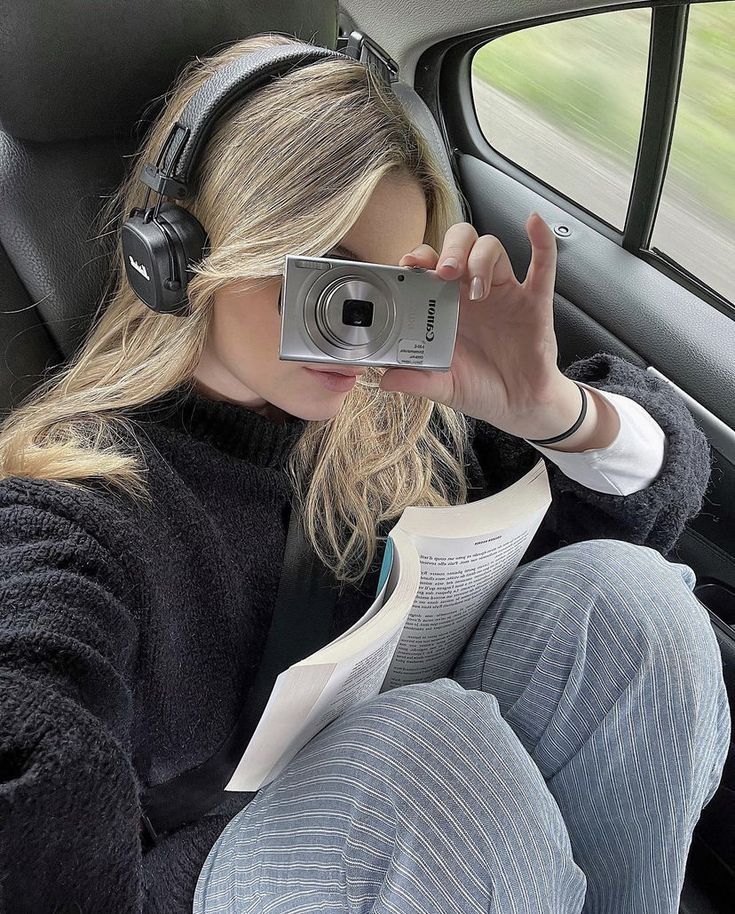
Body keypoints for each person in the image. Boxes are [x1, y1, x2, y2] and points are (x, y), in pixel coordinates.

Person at [0, 31, 729, 914]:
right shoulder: (82, 503)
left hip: (440, 828)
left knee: (628, 601)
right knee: (428, 758)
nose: (356, 330)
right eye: (325, 280)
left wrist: (553, 414)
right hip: (221, 869)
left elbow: (662, 491)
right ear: (180, 258)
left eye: (391, 293)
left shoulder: (396, 411)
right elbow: (33, 706)